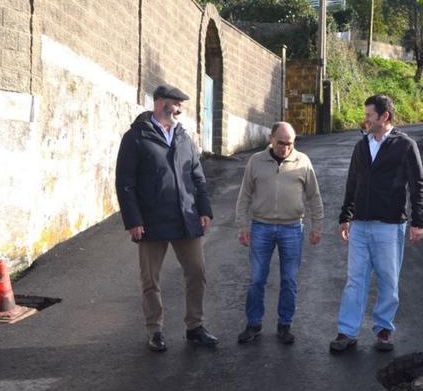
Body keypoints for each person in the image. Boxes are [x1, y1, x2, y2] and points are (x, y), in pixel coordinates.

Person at [115, 84, 219, 352]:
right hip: (151, 220)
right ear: (159, 102)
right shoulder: (136, 137)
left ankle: (195, 327)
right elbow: (125, 183)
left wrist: (204, 209)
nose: (180, 109)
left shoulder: (184, 137)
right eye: (175, 103)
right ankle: (155, 330)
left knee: (197, 272)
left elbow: (197, 176)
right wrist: (133, 220)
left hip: (186, 218)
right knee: (151, 279)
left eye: (181, 104)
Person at [330, 94, 423, 353]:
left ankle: (383, 329)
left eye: (370, 116)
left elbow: (418, 186)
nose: (366, 120)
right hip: (360, 225)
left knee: (388, 279)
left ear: (384, 117)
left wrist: (418, 221)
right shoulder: (361, 146)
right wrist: (345, 216)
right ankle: (347, 332)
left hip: (390, 224)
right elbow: (352, 182)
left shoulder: (405, 145)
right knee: (355, 280)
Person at [235, 122, 324, 344]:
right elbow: (244, 195)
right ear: (271, 139)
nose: (286, 147)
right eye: (281, 143)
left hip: (292, 228)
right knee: (257, 279)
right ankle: (253, 324)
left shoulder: (303, 161)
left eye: (290, 143)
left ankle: (285, 325)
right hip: (261, 227)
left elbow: (314, 196)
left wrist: (317, 226)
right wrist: (242, 226)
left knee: (289, 280)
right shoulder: (256, 161)